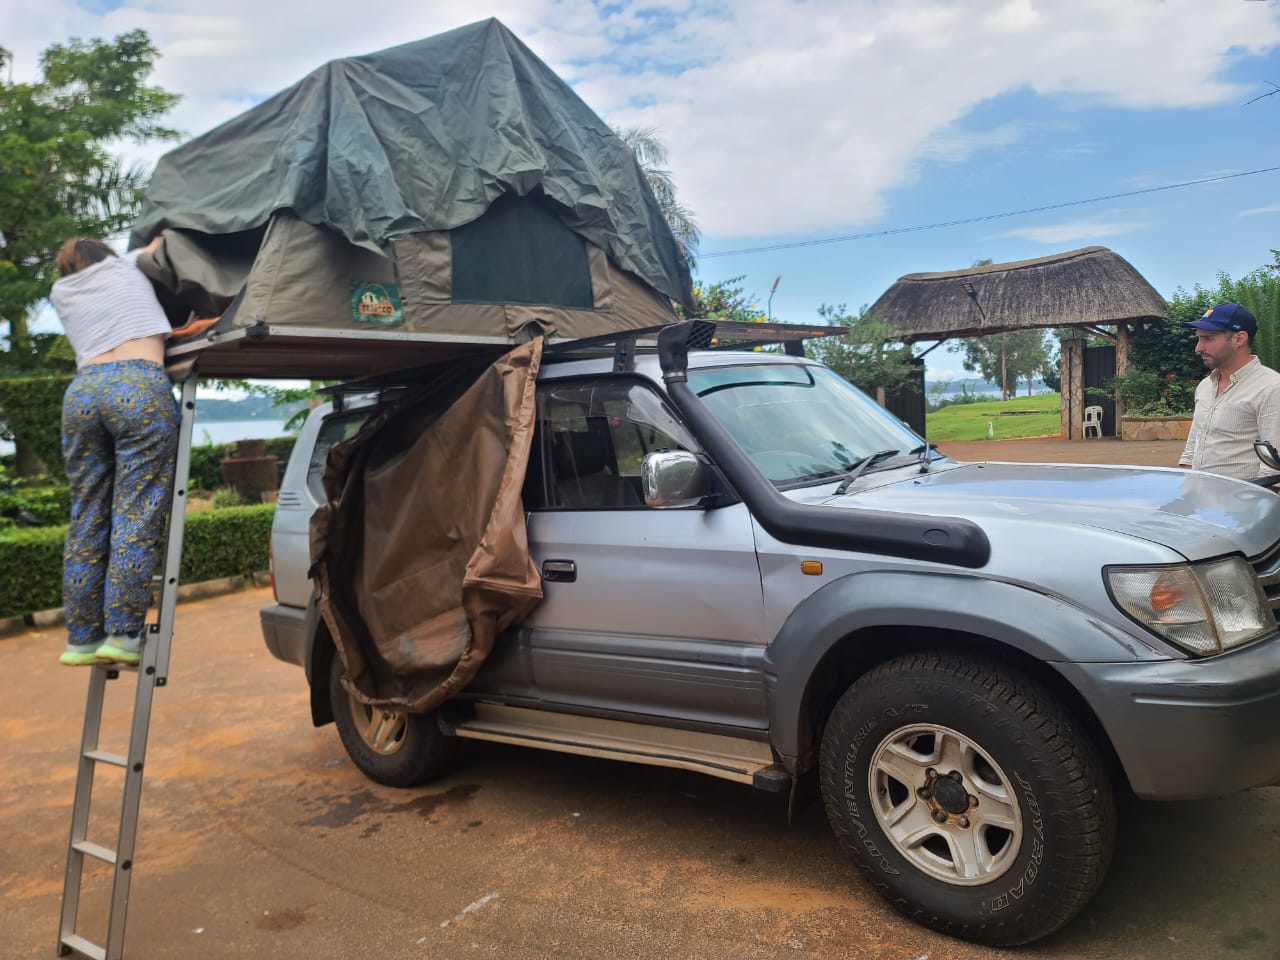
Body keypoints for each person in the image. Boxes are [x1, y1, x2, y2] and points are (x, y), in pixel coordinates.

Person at [49, 236, 185, 666]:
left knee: (86, 517)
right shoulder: (125, 265)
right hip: (137, 384)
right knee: (136, 511)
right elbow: (159, 243)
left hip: (82, 394)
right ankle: (124, 636)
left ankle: (82, 639)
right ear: (105, 255)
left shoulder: (60, 292)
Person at [1178, 302, 1280, 481]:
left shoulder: (1271, 388)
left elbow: (1273, 468)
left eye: (1208, 339)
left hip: (1242, 505)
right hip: (1200, 501)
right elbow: (1192, 448)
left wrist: (1257, 507)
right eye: (1198, 338)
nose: (1198, 348)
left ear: (1239, 339)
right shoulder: (1205, 386)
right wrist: (1187, 492)